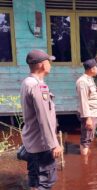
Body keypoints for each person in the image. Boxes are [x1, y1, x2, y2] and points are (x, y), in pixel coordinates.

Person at [20, 49, 62, 190]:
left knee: (35, 180)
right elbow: (44, 118)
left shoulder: (27, 82)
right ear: (42, 65)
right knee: (45, 182)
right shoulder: (38, 86)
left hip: (31, 142)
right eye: (49, 62)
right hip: (42, 144)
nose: (50, 64)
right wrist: (53, 144)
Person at [76, 59, 97, 156]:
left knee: (89, 137)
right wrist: (88, 118)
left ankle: (85, 155)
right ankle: (84, 161)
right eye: (96, 67)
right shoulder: (83, 81)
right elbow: (83, 100)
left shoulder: (90, 79)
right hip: (89, 113)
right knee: (86, 139)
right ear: (92, 69)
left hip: (93, 112)